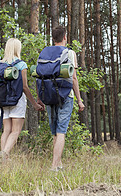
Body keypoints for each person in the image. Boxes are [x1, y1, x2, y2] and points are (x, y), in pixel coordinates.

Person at [38, 26, 85, 171]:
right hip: (65, 96)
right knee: (61, 132)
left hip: (48, 95)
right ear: (65, 37)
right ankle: (54, 166)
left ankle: (58, 164)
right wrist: (79, 99)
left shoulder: (45, 52)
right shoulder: (69, 53)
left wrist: (40, 98)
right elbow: (74, 78)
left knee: (54, 133)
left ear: (53, 38)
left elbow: (39, 75)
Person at [0, 38, 44, 160]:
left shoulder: (1, 64)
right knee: (16, 131)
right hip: (17, 101)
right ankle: (5, 154)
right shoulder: (21, 64)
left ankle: (3, 159)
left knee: (6, 130)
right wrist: (34, 103)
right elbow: (24, 87)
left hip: (3, 101)